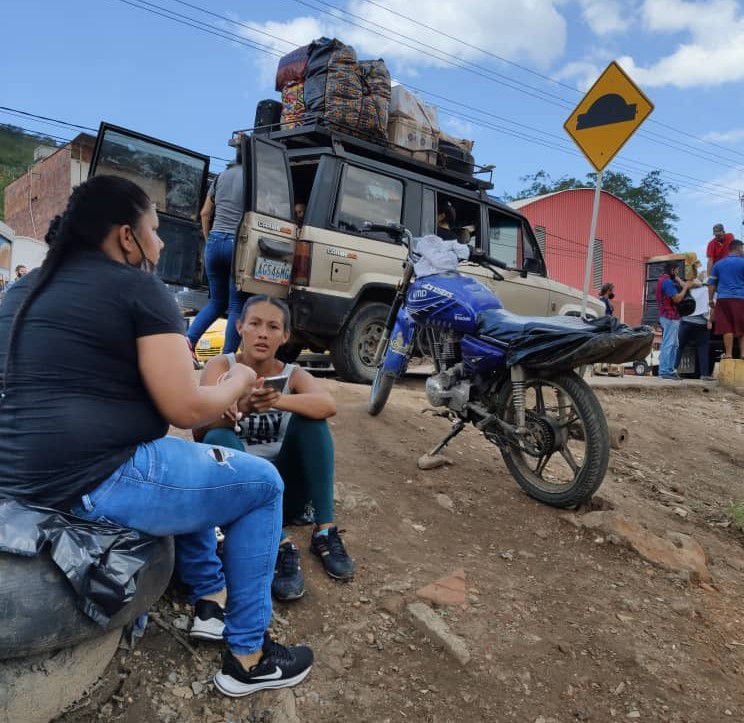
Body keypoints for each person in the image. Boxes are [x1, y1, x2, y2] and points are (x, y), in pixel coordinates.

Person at [0, 175, 313, 698]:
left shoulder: (20, 291)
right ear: (127, 236)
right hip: (93, 480)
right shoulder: (138, 288)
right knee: (261, 484)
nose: (162, 241)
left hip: (19, 476)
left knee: (181, 457)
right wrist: (237, 379)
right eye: (154, 228)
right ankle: (248, 658)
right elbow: (186, 406)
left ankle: (210, 597)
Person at [194, 295, 354, 602]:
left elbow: (328, 405)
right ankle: (277, 544)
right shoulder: (221, 366)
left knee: (313, 422)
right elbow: (198, 430)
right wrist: (236, 408)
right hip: (239, 494)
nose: (263, 333)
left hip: (284, 494)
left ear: (285, 336)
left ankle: (324, 530)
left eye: (273, 326)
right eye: (254, 324)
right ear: (239, 327)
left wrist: (275, 400)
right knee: (217, 439)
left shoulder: (292, 374)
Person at [186, 139, 248, 355]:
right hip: (235, 246)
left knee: (216, 302)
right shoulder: (251, 179)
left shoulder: (221, 177)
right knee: (236, 305)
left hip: (214, 242)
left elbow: (205, 213)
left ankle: (187, 343)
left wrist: (209, 238)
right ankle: (227, 357)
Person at [674, 271, 714, 380]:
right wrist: (710, 321)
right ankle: (704, 374)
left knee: (679, 346)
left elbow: (683, 285)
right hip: (702, 324)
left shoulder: (691, 288)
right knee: (703, 348)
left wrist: (677, 278)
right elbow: (713, 307)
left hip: (686, 321)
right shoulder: (710, 291)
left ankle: (673, 370)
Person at [709, 238, 744, 359]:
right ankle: (743, 354)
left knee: (727, 327)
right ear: (739, 248)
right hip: (741, 299)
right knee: (742, 326)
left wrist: (710, 299)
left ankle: (728, 354)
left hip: (723, 299)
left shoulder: (718, 264)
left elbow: (712, 284)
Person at [656, 261, 692, 380]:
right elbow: (677, 299)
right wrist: (685, 288)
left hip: (670, 317)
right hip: (669, 317)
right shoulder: (667, 282)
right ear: (672, 270)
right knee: (669, 343)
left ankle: (669, 370)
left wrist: (678, 279)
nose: (677, 273)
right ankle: (665, 370)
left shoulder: (664, 280)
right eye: (676, 270)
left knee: (674, 344)